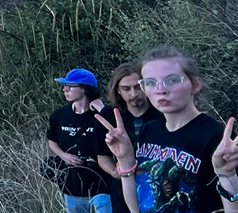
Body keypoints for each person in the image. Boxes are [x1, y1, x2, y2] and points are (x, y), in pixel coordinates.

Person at [94, 46, 238, 213]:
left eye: (172, 80)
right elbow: (137, 207)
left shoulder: (216, 138)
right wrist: (126, 160)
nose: (160, 90)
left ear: (195, 85)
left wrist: (227, 175)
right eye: (150, 83)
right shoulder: (149, 131)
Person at [95, 62, 165, 213]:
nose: (133, 94)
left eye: (138, 87)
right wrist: (115, 172)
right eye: (126, 89)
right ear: (118, 91)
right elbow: (102, 155)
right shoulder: (108, 115)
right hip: (122, 190)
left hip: (159, 187)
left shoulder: (163, 113)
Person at [48, 68, 111, 213]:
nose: (65, 89)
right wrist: (64, 155)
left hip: (102, 181)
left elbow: (117, 135)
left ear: (84, 89)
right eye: (64, 86)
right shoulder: (59, 115)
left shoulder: (102, 114)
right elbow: (52, 140)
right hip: (73, 183)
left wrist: (102, 110)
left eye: (70, 86)